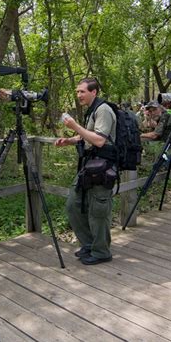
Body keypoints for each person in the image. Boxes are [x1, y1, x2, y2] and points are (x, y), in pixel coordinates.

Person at [55, 78, 116, 265]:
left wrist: (74, 126)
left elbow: (99, 140)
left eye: (82, 91)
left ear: (94, 92)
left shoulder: (103, 110)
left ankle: (101, 251)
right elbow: (87, 135)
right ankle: (89, 244)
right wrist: (69, 140)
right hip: (89, 167)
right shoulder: (92, 110)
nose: (79, 95)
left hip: (103, 167)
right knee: (74, 204)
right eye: (77, 92)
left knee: (98, 211)